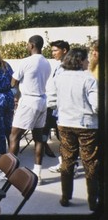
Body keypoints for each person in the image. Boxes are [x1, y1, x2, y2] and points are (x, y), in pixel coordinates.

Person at [53, 48, 98, 211]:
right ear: (80, 61)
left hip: (65, 123)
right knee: (90, 162)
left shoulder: (60, 77)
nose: (88, 62)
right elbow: (97, 105)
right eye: (86, 59)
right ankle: (93, 200)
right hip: (86, 125)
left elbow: (52, 98)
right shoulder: (89, 79)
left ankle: (65, 197)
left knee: (67, 160)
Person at [8, 35, 51, 184]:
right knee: (39, 138)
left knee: (14, 136)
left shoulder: (26, 61)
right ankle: (37, 174)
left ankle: (10, 172)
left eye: (28, 45)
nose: (27, 47)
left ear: (32, 45)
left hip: (28, 101)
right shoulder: (47, 62)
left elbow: (13, 82)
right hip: (42, 101)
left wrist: (17, 89)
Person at [45, 40, 73, 173]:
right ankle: (64, 164)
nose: (53, 53)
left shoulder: (67, 66)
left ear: (65, 51)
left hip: (63, 108)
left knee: (65, 139)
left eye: (56, 50)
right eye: (52, 51)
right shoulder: (59, 65)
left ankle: (70, 167)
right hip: (56, 107)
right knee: (61, 137)